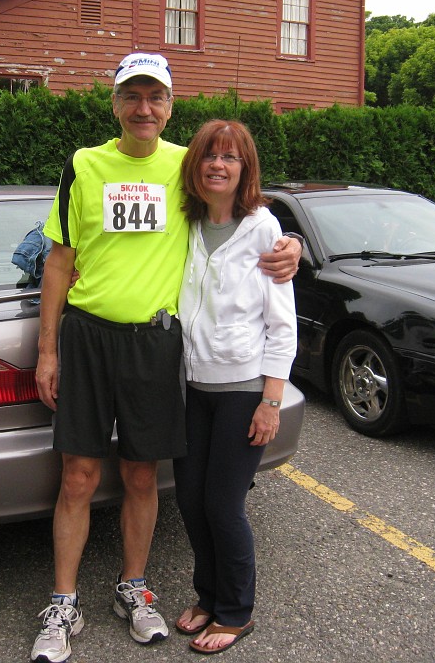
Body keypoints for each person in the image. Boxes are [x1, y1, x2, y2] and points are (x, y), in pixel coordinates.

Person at [31, 53, 301, 663]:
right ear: (116, 104)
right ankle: (64, 603)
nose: (144, 108)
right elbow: (58, 260)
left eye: (156, 98)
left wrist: (292, 245)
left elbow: (246, 211)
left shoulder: (186, 165)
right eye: (132, 96)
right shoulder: (84, 165)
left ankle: (134, 589)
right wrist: (47, 349)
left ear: (171, 106)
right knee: (77, 476)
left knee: (141, 475)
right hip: (89, 335)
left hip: (156, 346)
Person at [172, 120, 297, 655]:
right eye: (209, 156)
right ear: (195, 165)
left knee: (223, 506)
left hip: (244, 388)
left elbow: (283, 323)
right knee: (191, 502)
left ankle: (236, 611)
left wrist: (271, 401)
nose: (218, 165)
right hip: (190, 385)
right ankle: (208, 596)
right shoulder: (185, 223)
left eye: (230, 158)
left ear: (245, 169)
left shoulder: (264, 229)